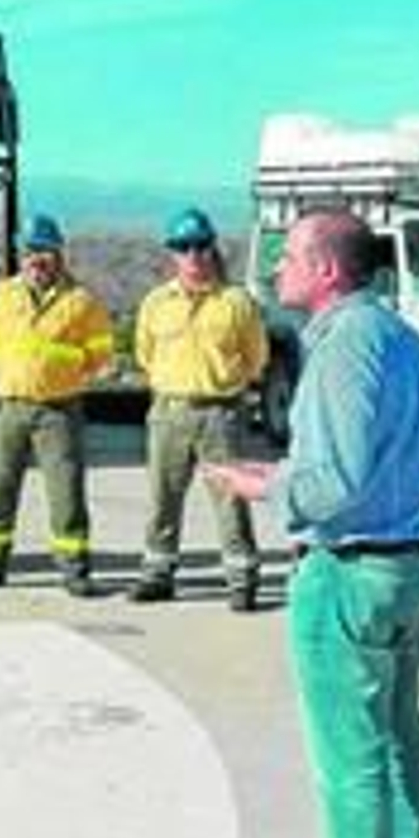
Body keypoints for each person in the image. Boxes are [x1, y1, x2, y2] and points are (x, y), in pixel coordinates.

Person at [206, 210, 419, 838]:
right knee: (400, 739)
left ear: (328, 269)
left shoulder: (343, 346)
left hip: (350, 568)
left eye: (289, 257)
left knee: (351, 757)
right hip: (404, 561)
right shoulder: (404, 338)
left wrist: (260, 483)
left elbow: (332, 481)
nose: (276, 271)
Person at [0, 214, 113, 595]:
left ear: (58, 254)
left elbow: (101, 354)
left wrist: (66, 377)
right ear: (18, 254)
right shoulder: (0, 296)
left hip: (58, 411)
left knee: (65, 490)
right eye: (29, 251)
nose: (36, 259)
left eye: (44, 251)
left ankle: (74, 568)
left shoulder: (81, 301)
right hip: (9, 407)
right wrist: (8, 371)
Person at [129, 206, 268, 611]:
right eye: (183, 247)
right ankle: (158, 572)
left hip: (219, 413)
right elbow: (145, 354)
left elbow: (256, 356)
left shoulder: (236, 302)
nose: (193, 255)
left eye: (200, 246)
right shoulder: (156, 303)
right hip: (169, 410)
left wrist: (224, 387)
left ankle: (242, 578)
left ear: (212, 249)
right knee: (162, 496)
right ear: (172, 253)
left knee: (230, 497)